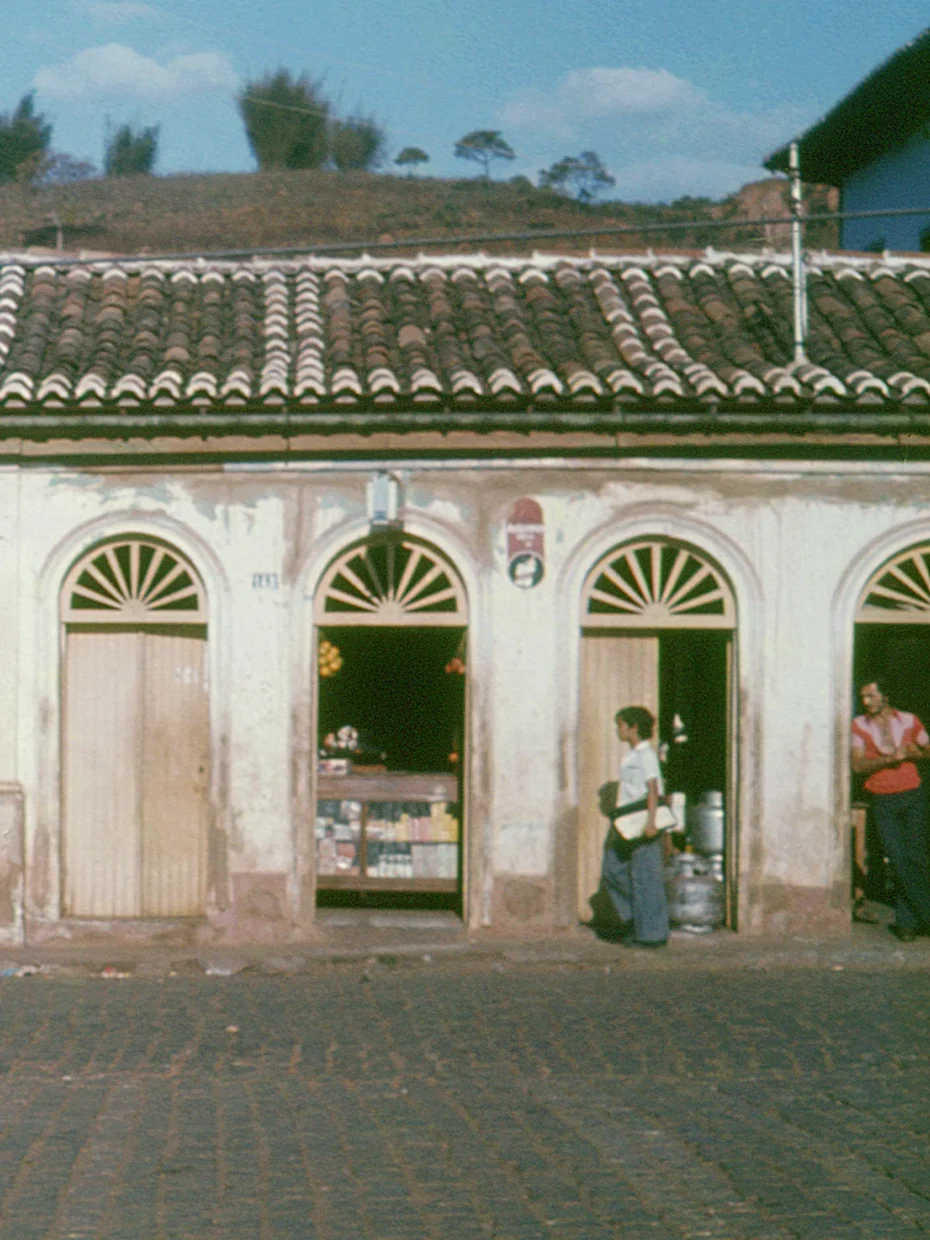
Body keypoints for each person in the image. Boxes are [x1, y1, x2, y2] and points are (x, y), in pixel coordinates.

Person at [851, 676, 930, 941]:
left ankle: (907, 923)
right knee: (897, 860)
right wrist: (888, 759)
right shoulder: (859, 725)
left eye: (871, 695)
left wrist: (913, 754)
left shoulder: (908, 720)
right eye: (863, 696)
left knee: (917, 859)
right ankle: (926, 915)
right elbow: (857, 765)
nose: (865, 701)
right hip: (884, 799)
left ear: (885, 696)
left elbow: (927, 748)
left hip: (912, 796)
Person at [597, 705, 670, 948]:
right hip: (626, 821)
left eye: (621, 725)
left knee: (645, 877)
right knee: (612, 870)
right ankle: (636, 919)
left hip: (642, 821)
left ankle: (652, 936)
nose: (618, 730)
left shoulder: (646, 755)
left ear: (633, 727)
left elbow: (653, 790)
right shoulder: (632, 756)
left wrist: (651, 824)